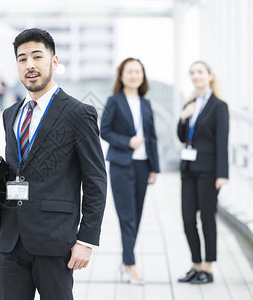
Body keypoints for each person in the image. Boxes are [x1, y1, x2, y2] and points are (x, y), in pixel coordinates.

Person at [0, 28, 107, 300]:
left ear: (54, 61)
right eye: (22, 58)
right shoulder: (10, 114)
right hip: (10, 241)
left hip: (55, 241)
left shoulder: (78, 113)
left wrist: (86, 240)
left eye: (37, 56)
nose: (30, 65)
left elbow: (96, 180)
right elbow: (12, 171)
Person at [100, 57, 160, 284]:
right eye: (129, 72)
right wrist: (128, 142)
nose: (134, 75)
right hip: (121, 165)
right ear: (122, 76)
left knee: (137, 215)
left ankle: (126, 260)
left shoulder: (146, 103)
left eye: (138, 71)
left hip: (143, 166)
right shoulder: (114, 101)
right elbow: (103, 131)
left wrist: (154, 168)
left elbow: (152, 137)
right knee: (127, 217)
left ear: (142, 76)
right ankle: (131, 264)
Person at [177, 61, 229, 284]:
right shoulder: (191, 103)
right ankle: (196, 264)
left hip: (209, 171)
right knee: (188, 219)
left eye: (200, 72)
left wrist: (222, 173)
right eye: (192, 73)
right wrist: (183, 118)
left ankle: (207, 269)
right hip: (189, 169)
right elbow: (182, 137)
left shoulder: (219, 106)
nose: (196, 76)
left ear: (209, 76)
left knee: (207, 218)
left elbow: (222, 141)